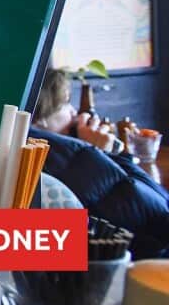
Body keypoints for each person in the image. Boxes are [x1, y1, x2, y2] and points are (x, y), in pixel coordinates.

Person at [31, 68, 169, 259]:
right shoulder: (77, 159)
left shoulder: (69, 155)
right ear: (40, 118)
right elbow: (158, 212)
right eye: (65, 103)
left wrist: (108, 154)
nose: (74, 112)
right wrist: (108, 154)